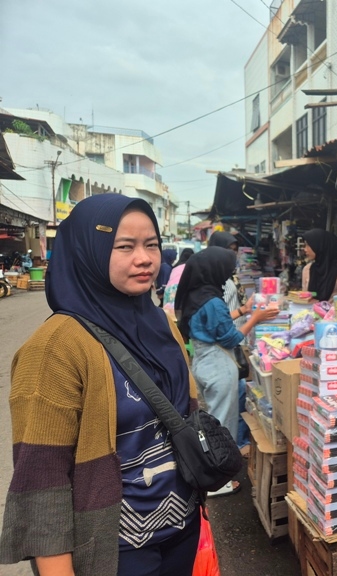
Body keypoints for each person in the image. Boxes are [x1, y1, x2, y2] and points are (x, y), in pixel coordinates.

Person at [0, 194, 201, 576]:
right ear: (88, 251)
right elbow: (42, 480)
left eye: (151, 245)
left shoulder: (162, 324)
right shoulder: (55, 348)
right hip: (116, 551)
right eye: (124, 247)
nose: (144, 258)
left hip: (182, 529)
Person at [175, 247, 278, 495]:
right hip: (218, 366)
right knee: (222, 422)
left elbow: (213, 323)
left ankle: (220, 464)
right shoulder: (212, 300)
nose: (230, 275)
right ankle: (217, 480)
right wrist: (256, 318)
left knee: (217, 415)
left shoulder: (197, 295)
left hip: (203, 361)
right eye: (228, 270)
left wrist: (243, 311)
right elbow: (230, 338)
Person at [206, 231, 254, 455]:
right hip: (222, 347)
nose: (232, 256)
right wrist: (248, 315)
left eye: (235, 252)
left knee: (239, 393)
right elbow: (219, 321)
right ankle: (223, 455)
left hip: (229, 345)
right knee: (225, 403)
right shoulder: (215, 282)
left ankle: (238, 443)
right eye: (228, 251)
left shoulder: (222, 275)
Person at [301, 229, 337, 302]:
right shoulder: (308, 269)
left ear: (320, 246)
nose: (305, 249)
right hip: (309, 311)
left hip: (332, 312)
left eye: (308, 245)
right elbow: (304, 297)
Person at [162, 247, 195, 313]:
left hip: (169, 290)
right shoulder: (190, 267)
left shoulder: (175, 267)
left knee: (169, 315)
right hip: (180, 291)